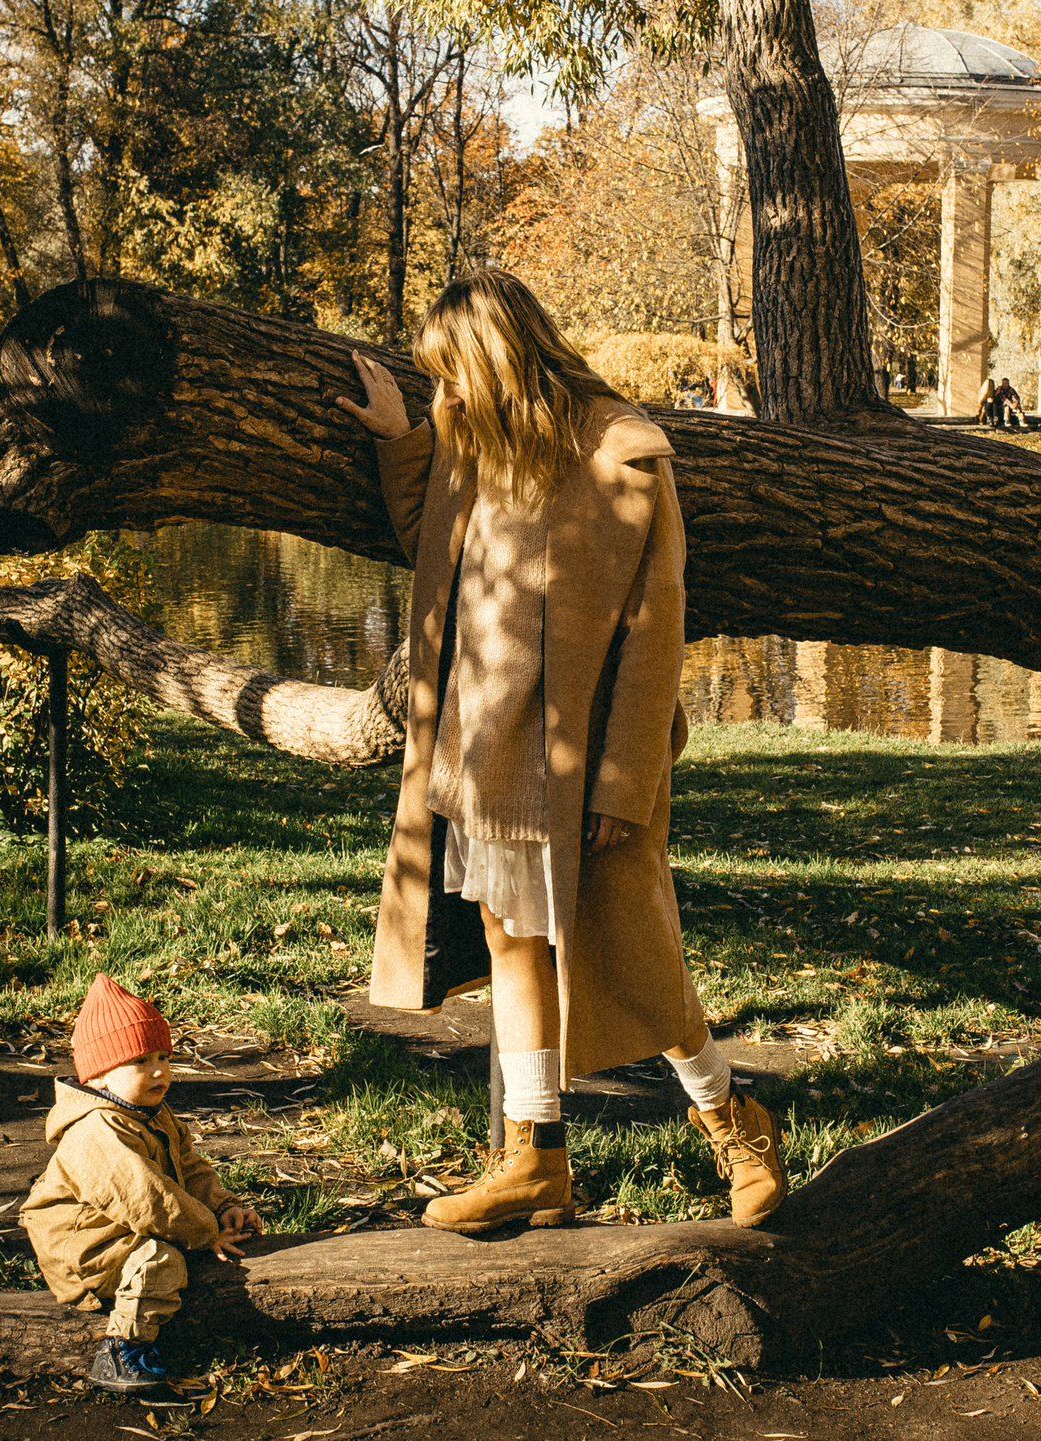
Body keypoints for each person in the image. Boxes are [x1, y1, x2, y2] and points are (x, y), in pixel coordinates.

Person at [338, 269, 789, 1237]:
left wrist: (623, 780)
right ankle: (533, 1158)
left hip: (581, 763)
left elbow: (656, 628)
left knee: (632, 951)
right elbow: (430, 547)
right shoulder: (470, 441)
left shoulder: (621, 451)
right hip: (480, 753)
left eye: (452, 374)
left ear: (500, 358)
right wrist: (402, 437)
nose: (445, 394)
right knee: (513, 942)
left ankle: (733, 1122)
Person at [21, 974, 264, 1396]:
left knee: (175, 1249)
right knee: (160, 1261)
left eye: (163, 1057)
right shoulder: (96, 1129)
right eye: (139, 1061)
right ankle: (122, 1349)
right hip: (83, 1243)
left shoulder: (149, 1110)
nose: (159, 1071)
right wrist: (207, 1233)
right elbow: (147, 1198)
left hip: (121, 1221)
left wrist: (222, 1205)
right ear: (99, 1076)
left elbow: (188, 1166)